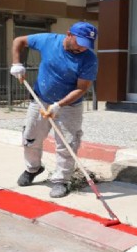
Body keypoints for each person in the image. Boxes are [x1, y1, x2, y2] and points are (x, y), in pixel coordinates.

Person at [10, 21, 98, 198]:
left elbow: (82, 88)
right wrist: (16, 63)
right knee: (30, 137)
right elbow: (18, 40)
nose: (83, 49)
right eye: (80, 43)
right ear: (69, 35)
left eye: (87, 45)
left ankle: (61, 180)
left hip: (70, 106)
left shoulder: (89, 59)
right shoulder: (48, 41)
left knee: (67, 143)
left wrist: (59, 105)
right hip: (40, 99)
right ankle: (33, 168)